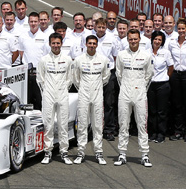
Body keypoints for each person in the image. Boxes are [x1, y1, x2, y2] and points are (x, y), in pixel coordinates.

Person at [114, 29, 154, 167]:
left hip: (140, 93)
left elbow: (149, 75)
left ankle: (144, 155)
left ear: (139, 39)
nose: (133, 41)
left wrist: (141, 88)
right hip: (124, 93)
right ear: (127, 40)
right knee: (123, 124)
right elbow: (118, 74)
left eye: (135, 39)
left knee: (142, 124)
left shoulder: (146, 56)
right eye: (130, 39)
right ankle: (122, 154)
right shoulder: (121, 55)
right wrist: (125, 87)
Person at [71, 35, 110, 165]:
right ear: (85, 45)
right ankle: (81, 152)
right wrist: (83, 88)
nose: (92, 45)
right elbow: (75, 78)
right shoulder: (78, 60)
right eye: (90, 43)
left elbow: (105, 77)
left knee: (98, 124)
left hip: (98, 95)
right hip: (83, 94)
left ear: (97, 45)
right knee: (82, 124)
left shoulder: (103, 60)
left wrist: (96, 87)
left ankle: (98, 152)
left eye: (94, 43)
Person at [37, 33, 73, 165]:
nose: (56, 46)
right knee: (48, 123)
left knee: (63, 124)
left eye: (58, 43)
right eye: (53, 43)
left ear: (61, 44)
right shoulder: (44, 60)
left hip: (62, 93)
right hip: (48, 94)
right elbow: (40, 79)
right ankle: (48, 152)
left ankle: (64, 152)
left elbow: (70, 78)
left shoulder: (68, 59)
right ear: (49, 44)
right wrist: (47, 90)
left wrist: (63, 89)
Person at [168, 19, 186, 141]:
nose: (182, 31)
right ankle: (177, 129)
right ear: (177, 29)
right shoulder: (172, 42)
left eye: (184, 28)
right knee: (176, 103)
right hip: (175, 75)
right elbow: (169, 59)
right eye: (180, 29)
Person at [147, 31, 173, 144]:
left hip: (162, 84)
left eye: (160, 40)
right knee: (152, 110)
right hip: (150, 85)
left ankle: (161, 133)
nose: (157, 42)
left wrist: (166, 76)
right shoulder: (146, 52)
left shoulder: (166, 52)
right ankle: (152, 132)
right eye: (155, 39)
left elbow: (171, 67)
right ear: (152, 39)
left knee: (161, 111)